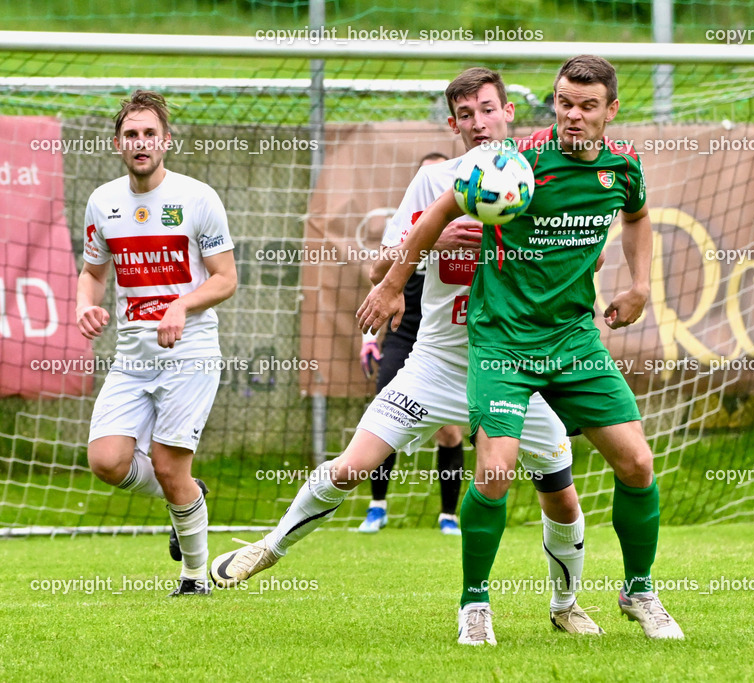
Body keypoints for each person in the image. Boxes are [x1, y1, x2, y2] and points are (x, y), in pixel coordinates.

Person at [212, 68, 602, 639]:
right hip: (437, 361)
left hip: (511, 367)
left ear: (509, 113)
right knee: (352, 466)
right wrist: (428, 237)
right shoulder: (436, 182)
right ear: (452, 124)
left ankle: (565, 605)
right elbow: (380, 267)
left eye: (488, 110)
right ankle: (268, 547)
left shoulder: (538, 175)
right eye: (465, 115)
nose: (478, 123)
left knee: (560, 495)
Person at [357, 55, 684, 643]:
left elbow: (636, 218)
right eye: (564, 103)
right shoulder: (519, 162)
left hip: (573, 339)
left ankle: (639, 592)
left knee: (636, 462)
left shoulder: (622, 167)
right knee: (497, 470)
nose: (573, 116)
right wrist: (389, 283)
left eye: (587, 106)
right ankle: (474, 605)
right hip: (503, 339)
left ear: (611, 110)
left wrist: (639, 286)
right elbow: (438, 212)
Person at [77, 90, 237, 596]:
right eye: (131, 134)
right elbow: (92, 272)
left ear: (166, 141)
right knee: (106, 460)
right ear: (118, 143)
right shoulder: (103, 202)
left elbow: (226, 278)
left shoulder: (197, 198)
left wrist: (181, 305)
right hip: (131, 357)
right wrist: (86, 304)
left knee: (169, 466)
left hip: (189, 356)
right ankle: (189, 495)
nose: (140, 142)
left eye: (149, 133)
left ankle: (194, 577)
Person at [357, 152, 465, 536]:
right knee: (386, 417)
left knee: (450, 432)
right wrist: (368, 339)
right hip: (404, 334)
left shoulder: (473, 217)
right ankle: (376, 507)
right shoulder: (410, 222)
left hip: (444, 339)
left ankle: (449, 515)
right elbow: (379, 276)